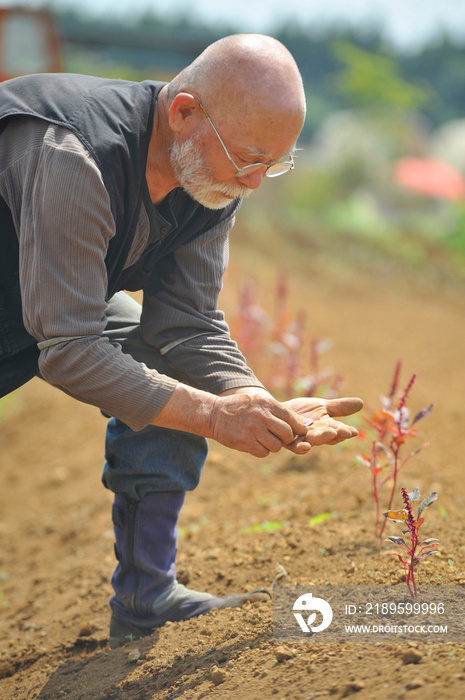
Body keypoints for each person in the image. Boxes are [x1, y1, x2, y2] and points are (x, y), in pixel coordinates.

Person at [0, 33, 363, 648]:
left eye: (272, 165)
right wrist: (212, 417)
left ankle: (148, 594)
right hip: (39, 314)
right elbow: (68, 349)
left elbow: (185, 324)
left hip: (38, 311)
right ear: (184, 112)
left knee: (175, 368)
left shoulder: (209, 177)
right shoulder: (76, 153)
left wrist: (250, 399)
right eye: (247, 157)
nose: (253, 182)